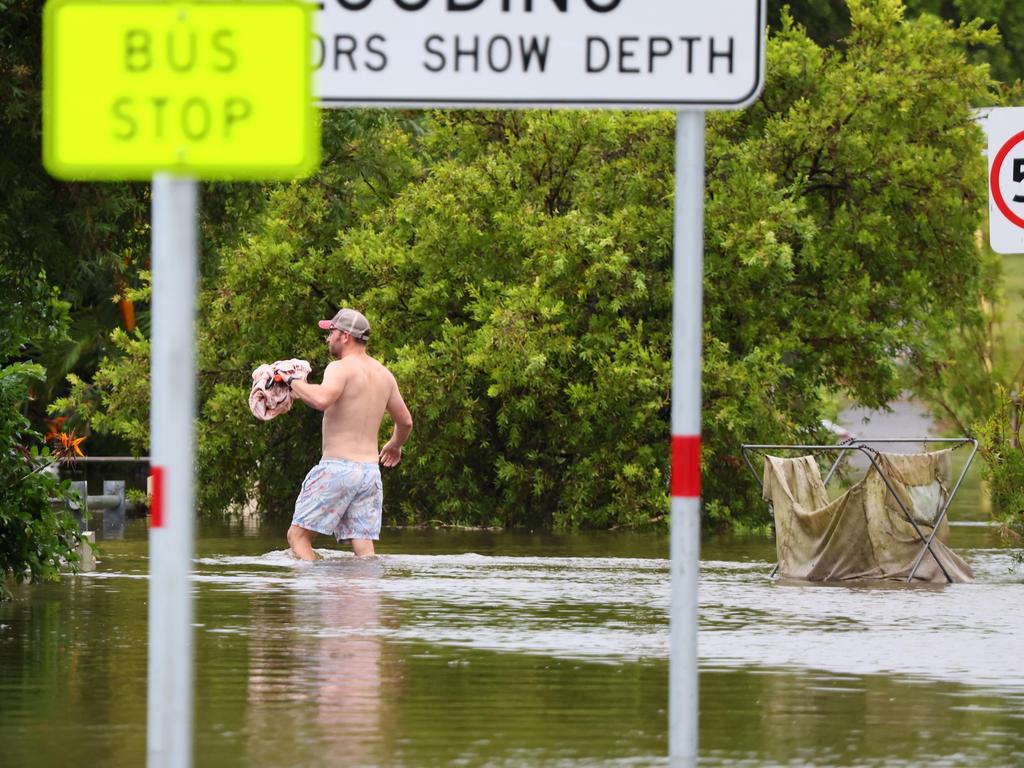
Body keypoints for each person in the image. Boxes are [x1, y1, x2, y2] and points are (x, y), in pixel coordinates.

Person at [285, 308, 412, 560]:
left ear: (345, 336)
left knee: (297, 537)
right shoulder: (384, 375)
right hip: (369, 474)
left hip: (338, 469)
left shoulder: (339, 368)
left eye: (331, 332)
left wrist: (290, 380)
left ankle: (315, 591)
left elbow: (321, 399)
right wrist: (395, 444)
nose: (328, 338)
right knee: (364, 549)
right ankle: (364, 596)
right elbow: (406, 422)